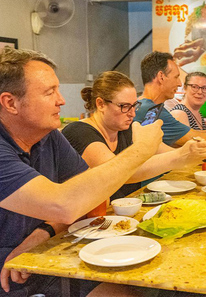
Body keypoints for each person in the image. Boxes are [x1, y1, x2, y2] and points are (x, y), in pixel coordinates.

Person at [0, 47, 168, 295]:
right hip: (10, 278)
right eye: (49, 92)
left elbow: (94, 197)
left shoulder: (49, 137)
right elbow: (64, 204)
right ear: (10, 102)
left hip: (45, 259)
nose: (62, 100)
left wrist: (41, 234)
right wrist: (141, 149)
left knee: (139, 285)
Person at [62, 71, 206, 201]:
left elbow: (165, 152)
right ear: (100, 104)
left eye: (135, 106)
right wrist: (182, 155)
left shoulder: (125, 128)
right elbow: (123, 173)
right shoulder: (79, 132)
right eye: (124, 106)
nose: (132, 113)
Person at [134, 52, 206, 146]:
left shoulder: (147, 106)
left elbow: (195, 134)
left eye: (204, 88)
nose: (179, 84)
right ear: (161, 77)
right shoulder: (151, 110)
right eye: (176, 77)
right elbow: (193, 138)